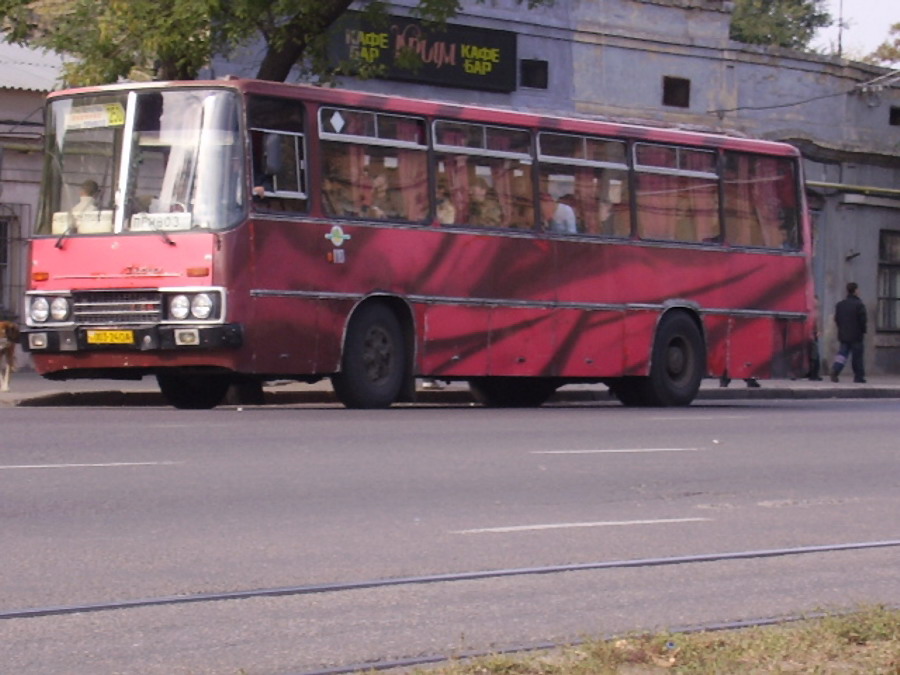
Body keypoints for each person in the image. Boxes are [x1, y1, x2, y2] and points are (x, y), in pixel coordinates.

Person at [830, 281, 867, 383]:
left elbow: (836, 319)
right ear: (855, 291)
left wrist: (841, 328)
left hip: (843, 334)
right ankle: (858, 377)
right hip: (856, 335)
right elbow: (863, 320)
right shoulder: (859, 305)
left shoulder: (840, 305)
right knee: (857, 357)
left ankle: (836, 370)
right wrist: (863, 330)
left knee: (842, 354)